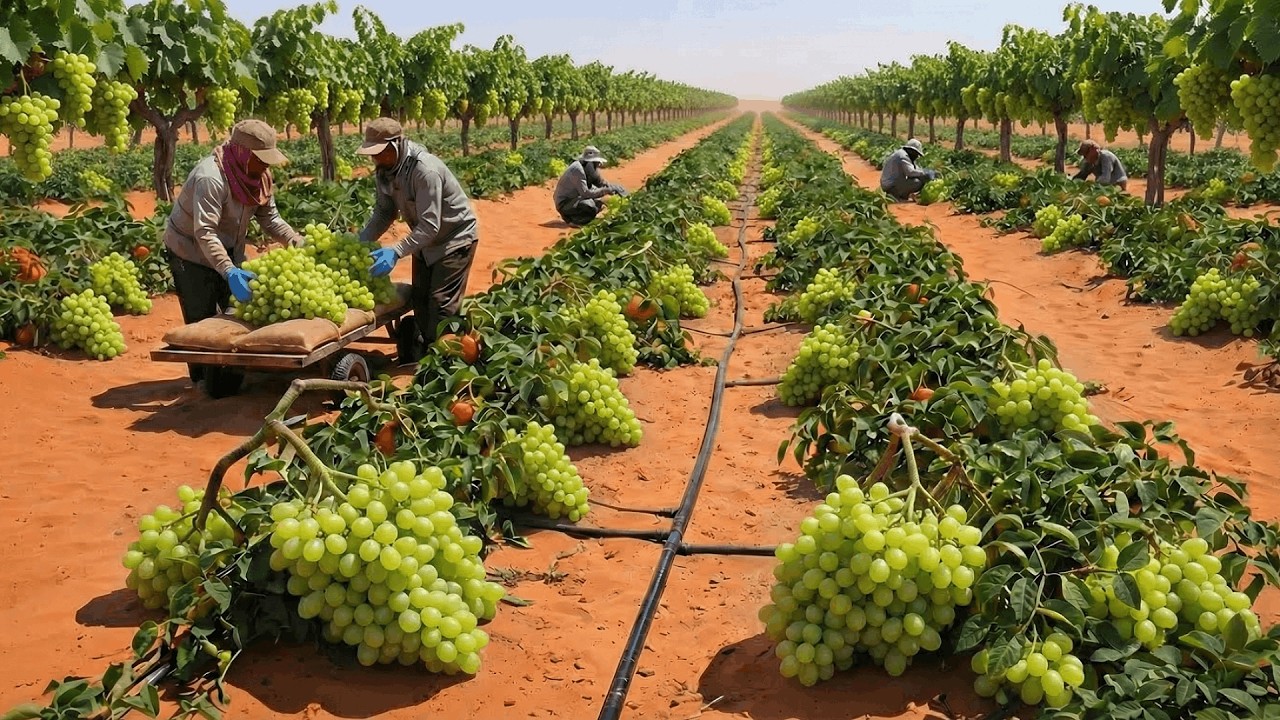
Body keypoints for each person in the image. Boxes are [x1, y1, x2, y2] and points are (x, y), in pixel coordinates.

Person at [162, 118, 304, 382]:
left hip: (229, 247)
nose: (265, 166)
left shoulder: (259, 178)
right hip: (189, 253)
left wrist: (295, 240)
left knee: (235, 315)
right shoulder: (211, 178)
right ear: (243, 153)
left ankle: (228, 374)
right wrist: (229, 271)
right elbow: (205, 232)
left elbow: (270, 218)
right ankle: (202, 383)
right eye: (260, 159)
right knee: (201, 318)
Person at [356, 117, 479, 361]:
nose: (375, 158)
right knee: (421, 303)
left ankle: (449, 364)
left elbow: (431, 225)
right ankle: (427, 355)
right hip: (424, 243)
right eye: (372, 153)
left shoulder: (425, 171)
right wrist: (362, 240)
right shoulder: (385, 172)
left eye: (379, 152)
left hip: (454, 240)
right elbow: (385, 212)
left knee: (441, 307)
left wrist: (396, 251)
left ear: (396, 144)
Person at [553, 145, 627, 226]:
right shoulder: (577, 170)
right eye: (596, 163)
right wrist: (606, 190)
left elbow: (600, 182)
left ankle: (581, 217)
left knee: (599, 203)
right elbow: (586, 194)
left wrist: (614, 188)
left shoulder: (588, 168)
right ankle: (572, 220)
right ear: (589, 162)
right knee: (590, 206)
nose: (598, 165)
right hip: (564, 203)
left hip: (575, 199)